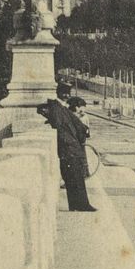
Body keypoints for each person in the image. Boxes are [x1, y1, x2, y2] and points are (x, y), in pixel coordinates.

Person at [37, 83, 97, 212]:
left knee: (75, 176)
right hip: (68, 147)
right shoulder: (56, 107)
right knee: (73, 177)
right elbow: (59, 127)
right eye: (64, 93)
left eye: (68, 93)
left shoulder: (60, 107)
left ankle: (79, 204)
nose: (67, 96)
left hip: (71, 146)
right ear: (59, 93)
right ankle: (80, 204)